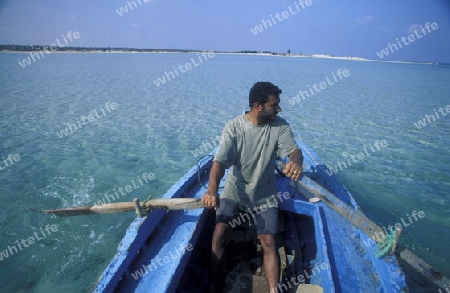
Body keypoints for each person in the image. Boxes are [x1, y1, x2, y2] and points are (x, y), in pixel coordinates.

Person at [202, 81, 303, 293]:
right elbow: (219, 163)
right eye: (273, 105)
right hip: (235, 191)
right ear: (258, 106)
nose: (278, 109)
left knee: (269, 241)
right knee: (219, 232)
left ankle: (273, 289)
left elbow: (294, 151)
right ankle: (212, 284)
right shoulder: (234, 127)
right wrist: (212, 190)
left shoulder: (280, 126)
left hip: (265, 194)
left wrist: (296, 162)